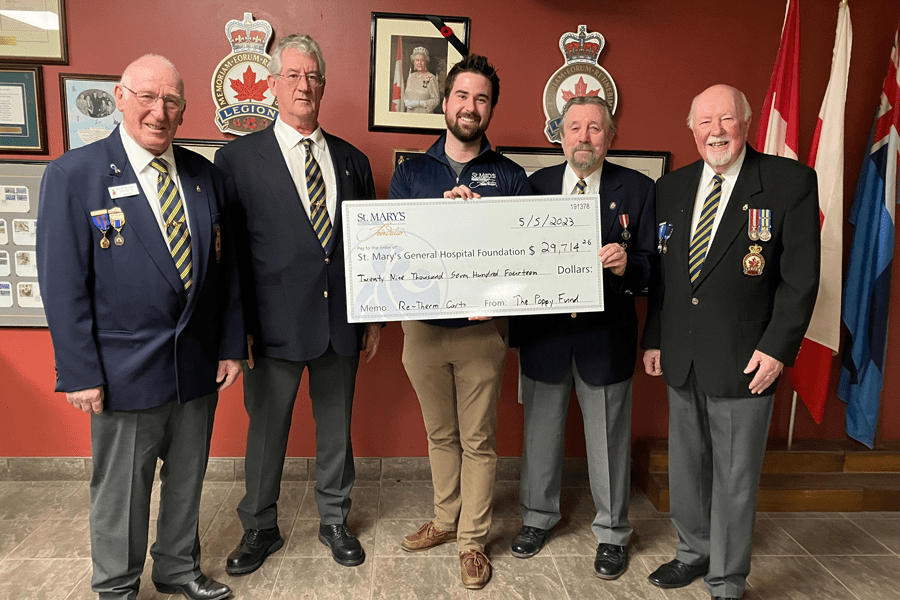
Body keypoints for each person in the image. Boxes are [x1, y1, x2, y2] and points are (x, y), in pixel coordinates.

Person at [36, 54, 244, 600]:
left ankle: (177, 568)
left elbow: (226, 273)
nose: (159, 111)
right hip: (121, 371)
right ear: (121, 98)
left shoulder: (207, 177)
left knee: (186, 480)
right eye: (147, 97)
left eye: (172, 101)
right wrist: (80, 372)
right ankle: (117, 584)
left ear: (183, 109)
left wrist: (228, 346)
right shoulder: (73, 175)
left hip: (196, 365)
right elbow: (63, 287)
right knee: (122, 489)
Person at [641, 84, 820, 600]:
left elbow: (800, 278)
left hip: (748, 360)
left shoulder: (789, 183)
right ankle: (693, 553)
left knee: (735, 479)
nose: (716, 131)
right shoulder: (671, 188)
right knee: (689, 468)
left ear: (748, 122)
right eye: (705, 122)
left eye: (726, 120)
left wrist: (779, 347)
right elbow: (666, 278)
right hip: (681, 355)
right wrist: (654, 337)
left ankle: (727, 578)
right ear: (691, 129)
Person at [215, 34, 380, 573]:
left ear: (323, 85)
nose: (304, 85)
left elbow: (369, 249)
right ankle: (259, 527)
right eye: (292, 75)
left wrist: (373, 316)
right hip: (270, 329)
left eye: (312, 77)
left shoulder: (353, 160)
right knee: (265, 434)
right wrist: (235, 329)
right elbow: (231, 257)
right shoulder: (236, 159)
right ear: (272, 83)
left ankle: (334, 519)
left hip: (340, 324)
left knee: (337, 430)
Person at [389, 53, 530, 590]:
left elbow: (523, 261)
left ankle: (473, 540)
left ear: (490, 108)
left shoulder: (511, 176)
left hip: (481, 331)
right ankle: (445, 521)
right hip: (423, 329)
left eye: (482, 99)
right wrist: (438, 221)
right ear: (445, 103)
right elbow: (395, 250)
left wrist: (479, 223)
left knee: (478, 438)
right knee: (439, 433)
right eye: (463, 96)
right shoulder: (410, 173)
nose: (471, 107)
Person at [508, 96, 654, 579]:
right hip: (545, 337)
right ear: (561, 135)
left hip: (605, 338)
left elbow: (653, 267)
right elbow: (512, 255)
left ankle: (612, 532)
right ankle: (537, 518)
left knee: (610, 444)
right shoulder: (536, 186)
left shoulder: (637, 189)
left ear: (609, 137)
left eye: (595, 128)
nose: (584, 137)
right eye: (575, 128)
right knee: (541, 437)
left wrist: (627, 264)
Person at [403, 46, 440, 113]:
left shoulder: (431, 78)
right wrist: (406, 101)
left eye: (422, 60)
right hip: (409, 115)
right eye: (417, 60)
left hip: (424, 116)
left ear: (426, 62)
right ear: (414, 62)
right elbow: (406, 94)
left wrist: (420, 103)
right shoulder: (411, 76)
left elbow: (436, 100)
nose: (419, 63)